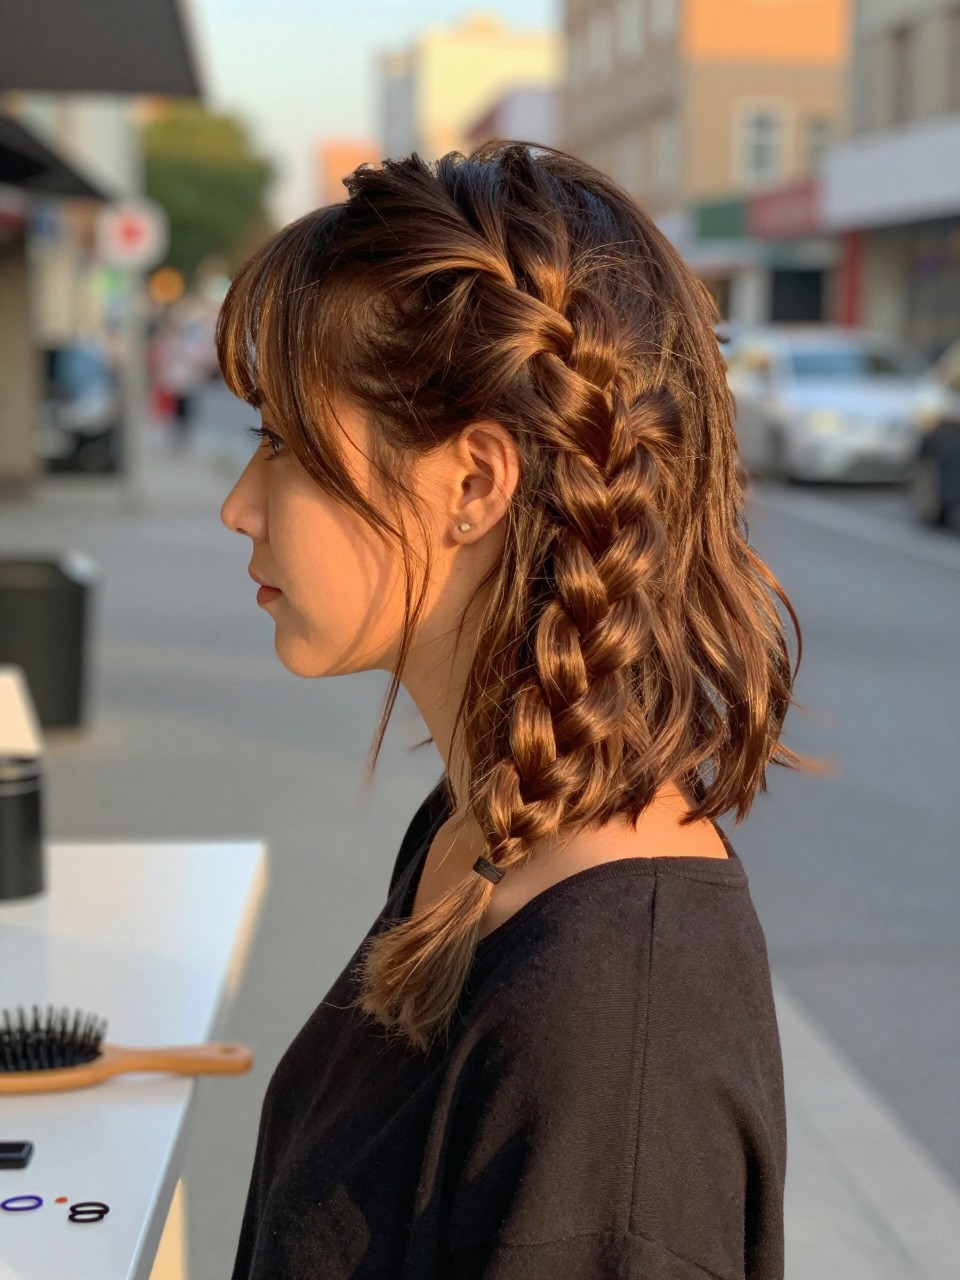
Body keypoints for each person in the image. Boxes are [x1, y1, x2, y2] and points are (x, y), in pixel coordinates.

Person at [218, 141, 818, 1279]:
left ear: (475, 485)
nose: (237, 506)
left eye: (285, 444)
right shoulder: (481, 828)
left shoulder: (607, 1046)